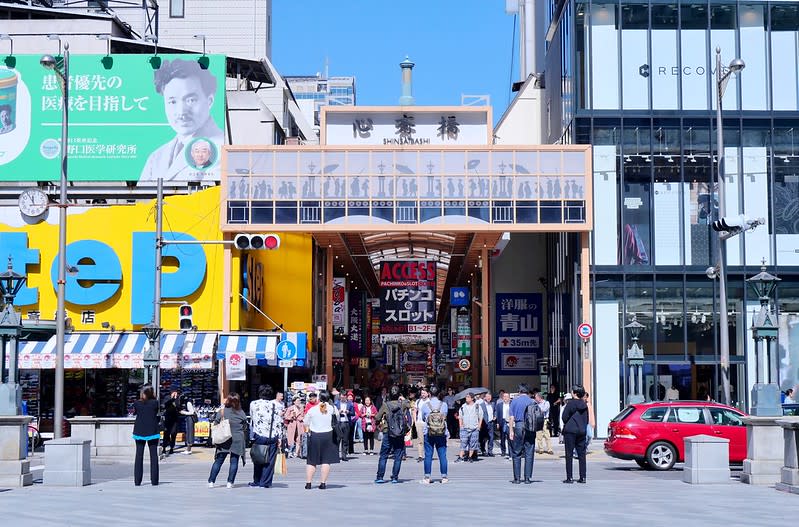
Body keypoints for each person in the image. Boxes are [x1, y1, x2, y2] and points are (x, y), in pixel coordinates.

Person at [139, 58, 223, 183]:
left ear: (209, 101)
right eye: (172, 101)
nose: (181, 111)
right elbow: (141, 200)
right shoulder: (156, 157)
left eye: (191, 100)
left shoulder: (222, 148)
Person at [208, 393, 248, 488]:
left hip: (224, 438)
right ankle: (230, 482)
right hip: (238, 439)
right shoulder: (241, 412)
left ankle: (211, 481)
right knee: (234, 462)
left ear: (228, 401)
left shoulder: (222, 411)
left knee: (218, 461)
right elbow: (245, 426)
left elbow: (216, 423)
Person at [248, 384, 284, 488]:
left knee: (258, 458)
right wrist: (280, 437)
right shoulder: (275, 405)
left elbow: (252, 418)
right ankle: (266, 482)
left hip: (259, 434)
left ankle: (257, 480)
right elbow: (278, 422)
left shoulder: (253, 404)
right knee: (270, 460)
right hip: (272, 435)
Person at [303, 391, 340, 489]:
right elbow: (338, 420)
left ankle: (308, 483)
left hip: (315, 435)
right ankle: (323, 483)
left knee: (311, 461)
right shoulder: (333, 409)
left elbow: (305, 422)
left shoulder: (313, 409)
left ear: (319, 398)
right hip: (328, 435)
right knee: (326, 460)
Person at [374, 385, 410, 484]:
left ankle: (380, 477)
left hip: (387, 431)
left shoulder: (386, 404)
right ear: (399, 395)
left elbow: (377, 417)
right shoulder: (402, 404)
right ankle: (394, 477)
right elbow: (409, 404)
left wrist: (378, 425)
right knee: (398, 456)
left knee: (384, 455)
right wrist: (403, 398)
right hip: (400, 432)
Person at [419, 386, 449, 485]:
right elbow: (445, 416)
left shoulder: (425, 405)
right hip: (441, 433)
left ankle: (427, 477)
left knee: (428, 455)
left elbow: (423, 418)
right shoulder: (444, 405)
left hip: (429, 432)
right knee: (442, 455)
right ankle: (444, 477)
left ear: (429, 394)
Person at [132, 384, 160, 486]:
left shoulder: (137, 403)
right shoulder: (155, 403)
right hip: (152, 430)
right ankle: (154, 480)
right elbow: (156, 412)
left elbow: (135, 413)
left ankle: (137, 481)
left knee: (139, 455)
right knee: (154, 456)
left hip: (139, 430)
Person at [508, 384, 536, 484]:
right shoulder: (532, 401)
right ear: (527, 392)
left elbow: (511, 418)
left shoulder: (514, 401)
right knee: (529, 451)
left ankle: (517, 478)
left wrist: (511, 430)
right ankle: (527, 478)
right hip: (530, 427)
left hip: (519, 426)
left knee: (516, 452)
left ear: (519, 391)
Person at [561, 385, 589, 484]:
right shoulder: (584, 404)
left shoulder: (571, 404)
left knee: (569, 454)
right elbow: (587, 419)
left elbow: (564, 417)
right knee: (582, 454)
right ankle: (583, 477)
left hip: (570, 431)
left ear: (575, 393)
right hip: (581, 431)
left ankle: (570, 477)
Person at [456, 392, 483, 463]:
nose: (466, 398)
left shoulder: (477, 406)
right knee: (463, 442)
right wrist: (460, 426)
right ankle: (461, 457)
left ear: (472, 398)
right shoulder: (463, 406)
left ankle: (470, 457)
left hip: (474, 428)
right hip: (464, 428)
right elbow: (460, 417)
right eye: (466, 397)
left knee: (473, 443)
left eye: (468, 397)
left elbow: (480, 417)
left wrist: (479, 427)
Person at [534, 390, 553, 455]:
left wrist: (538, 410)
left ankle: (549, 449)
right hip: (538, 420)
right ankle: (540, 449)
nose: (535, 398)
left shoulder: (546, 403)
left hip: (545, 420)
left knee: (547, 435)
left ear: (539, 397)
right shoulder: (535, 404)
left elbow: (544, 410)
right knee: (539, 435)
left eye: (536, 397)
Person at [161, 390, 180, 457]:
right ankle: (164, 447)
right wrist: (172, 399)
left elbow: (178, 407)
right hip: (168, 419)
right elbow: (165, 404)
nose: (176, 394)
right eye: (174, 392)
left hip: (175, 419)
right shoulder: (167, 397)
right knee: (166, 434)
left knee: (173, 433)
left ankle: (172, 447)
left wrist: (176, 400)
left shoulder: (177, 399)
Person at [413, 387, 430, 462]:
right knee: (420, 440)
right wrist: (415, 421)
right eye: (422, 393)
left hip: (428, 423)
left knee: (428, 440)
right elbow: (414, 411)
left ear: (428, 393)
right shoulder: (418, 401)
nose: (422, 394)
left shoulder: (430, 402)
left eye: (424, 393)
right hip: (419, 422)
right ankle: (420, 455)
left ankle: (428, 454)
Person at [479, 392, 496, 457]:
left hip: (491, 422)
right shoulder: (481, 405)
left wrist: (495, 416)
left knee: (491, 438)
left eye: (490, 396)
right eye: (487, 396)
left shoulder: (493, 404)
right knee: (483, 438)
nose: (489, 398)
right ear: (485, 397)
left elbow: (495, 411)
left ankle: (490, 451)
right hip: (484, 423)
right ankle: (483, 450)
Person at [496, 390, 511, 459]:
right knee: (502, 437)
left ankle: (510, 451)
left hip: (509, 422)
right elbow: (498, 414)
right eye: (504, 396)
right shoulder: (499, 405)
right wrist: (497, 423)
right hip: (502, 421)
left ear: (509, 397)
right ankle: (503, 451)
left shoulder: (511, 404)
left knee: (510, 438)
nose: (505, 398)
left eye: (506, 396)